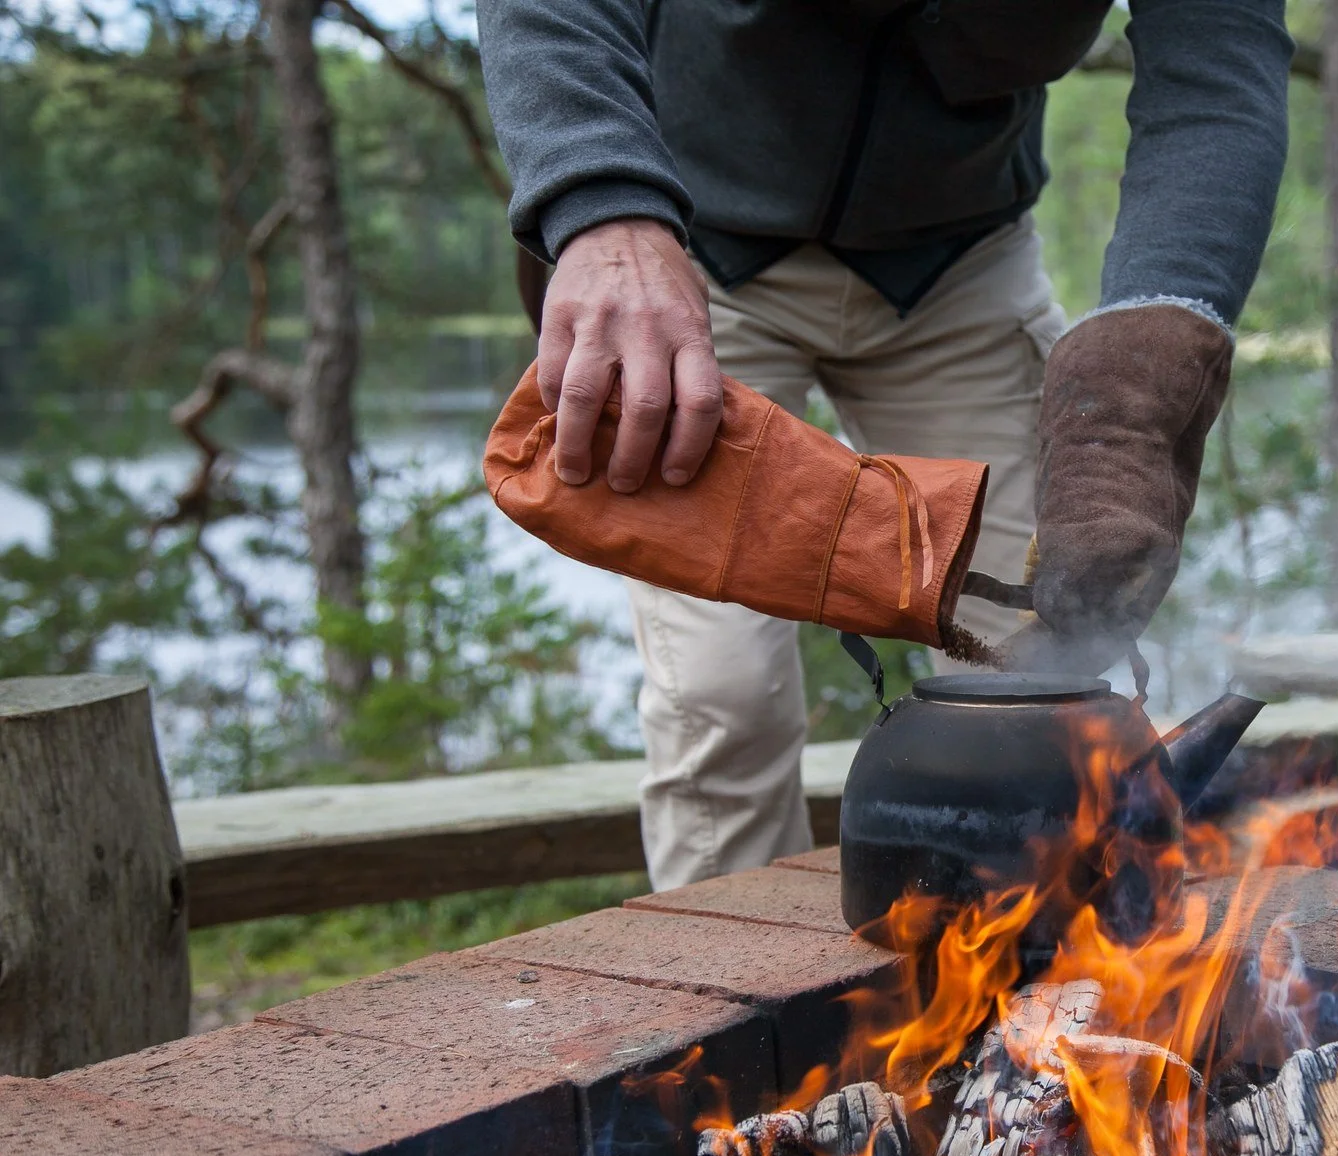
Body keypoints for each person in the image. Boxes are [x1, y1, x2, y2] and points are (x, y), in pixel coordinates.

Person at [476, 0, 1292, 890]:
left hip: (961, 263)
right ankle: (731, 969)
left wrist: (1151, 354)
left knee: (1048, 676)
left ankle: (1038, 963)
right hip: (686, 256)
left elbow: (1215, 76)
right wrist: (602, 203)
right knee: (724, 697)